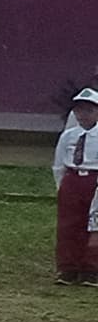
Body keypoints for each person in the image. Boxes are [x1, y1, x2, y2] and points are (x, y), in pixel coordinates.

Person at [56, 87, 98, 285]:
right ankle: (68, 268)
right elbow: (58, 162)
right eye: (79, 110)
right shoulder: (69, 135)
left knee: (94, 224)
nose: (84, 115)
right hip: (72, 180)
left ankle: (91, 268)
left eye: (89, 110)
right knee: (68, 225)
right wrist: (62, 185)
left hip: (94, 180)